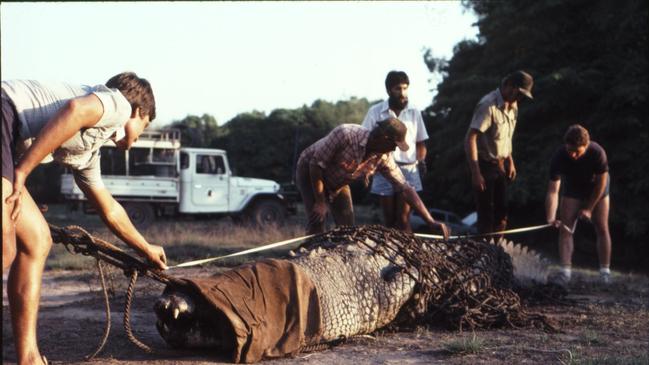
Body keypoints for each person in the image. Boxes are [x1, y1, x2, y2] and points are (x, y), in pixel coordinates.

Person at [2, 72, 168, 365]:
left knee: (38, 239)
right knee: (4, 249)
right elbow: (74, 111)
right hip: (5, 113)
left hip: (8, 139)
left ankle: (29, 358)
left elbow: (110, 209)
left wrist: (146, 248)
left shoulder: (89, 153)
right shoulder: (118, 106)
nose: (142, 132)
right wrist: (23, 173)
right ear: (139, 111)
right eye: (146, 123)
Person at [295, 118, 449, 239]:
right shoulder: (345, 134)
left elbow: (404, 188)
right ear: (383, 138)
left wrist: (430, 221)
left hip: (338, 183)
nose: (395, 149)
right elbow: (316, 165)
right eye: (394, 145)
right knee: (317, 221)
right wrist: (321, 202)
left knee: (347, 231)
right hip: (310, 172)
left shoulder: (383, 157)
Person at [464, 70, 534, 238]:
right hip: (484, 164)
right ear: (510, 86)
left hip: (501, 164)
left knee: (502, 214)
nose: (520, 98)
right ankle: (483, 255)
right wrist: (476, 173)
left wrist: (511, 161)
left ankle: (497, 253)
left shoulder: (514, 105)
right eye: (519, 93)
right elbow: (470, 138)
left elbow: (506, 136)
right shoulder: (488, 105)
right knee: (486, 214)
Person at [362, 71, 429, 232]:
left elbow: (421, 143)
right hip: (383, 168)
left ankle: (410, 255)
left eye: (405, 88)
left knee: (403, 219)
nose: (403, 93)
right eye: (398, 89)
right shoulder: (375, 111)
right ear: (389, 90)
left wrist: (421, 161)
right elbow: (365, 140)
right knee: (389, 221)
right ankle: (391, 255)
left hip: (409, 169)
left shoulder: (414, 111)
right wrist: (368, 168)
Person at [545, 124, 612, 285]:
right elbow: (553, 190)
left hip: (597, 189)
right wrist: (551, 217)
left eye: (578, 152)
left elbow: (601, 184)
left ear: (586, 146)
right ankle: (565, 272)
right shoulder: (559, 156)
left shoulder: (597, 152)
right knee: (565, 228)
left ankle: (605, 272)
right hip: (573, 188)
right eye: (570, 151)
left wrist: (588, 209)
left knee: (602, 227)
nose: (573, 155)